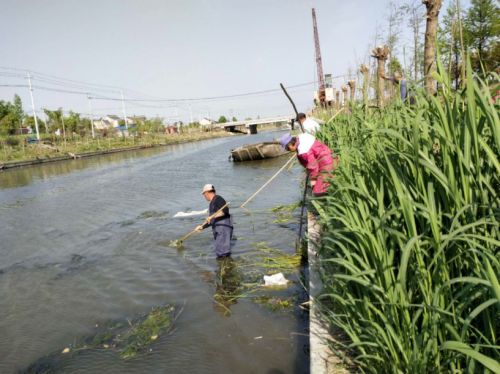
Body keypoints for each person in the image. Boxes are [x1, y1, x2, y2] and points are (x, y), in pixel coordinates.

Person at [279, 133, 337, 197]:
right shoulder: (301, 140)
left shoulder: (304, 150)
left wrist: (313, 179)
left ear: (290, 144)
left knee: (318, 191)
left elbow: (313, 166)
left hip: (327, 164)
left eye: (287, 149)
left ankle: (325, 205)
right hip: (328, 159)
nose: (289, 151)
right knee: (324, 187)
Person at [195, 184, 233, 257]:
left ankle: (225, 267)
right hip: (219, 231)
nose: (204, 196)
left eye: (204, 194)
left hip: (223, 229)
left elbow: (225, 210)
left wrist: (213, 216)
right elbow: (211, 220)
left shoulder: (218, 199)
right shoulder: (212, 204)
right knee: (220, 252)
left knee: (223, 253)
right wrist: (202, 227)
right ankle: (223, 266)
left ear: (206, 193)